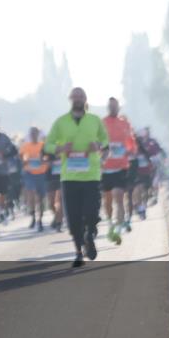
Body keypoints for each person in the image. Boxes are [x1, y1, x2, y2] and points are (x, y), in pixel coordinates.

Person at [44, 87, 109, 268]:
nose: (78, 98)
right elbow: (48, 145)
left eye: (81, 96)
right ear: (71, 99)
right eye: (75, 95)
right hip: (69, 177)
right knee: (73, 217)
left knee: (91, 212)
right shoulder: (61, 122)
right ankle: (78, 252)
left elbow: (105, 142)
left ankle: (90, 235)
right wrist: (60, 149)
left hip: (91, 176)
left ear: (85, 99)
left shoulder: (95, 120)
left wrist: (99, 145)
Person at [101, 97, 137, 242]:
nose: (113, 109)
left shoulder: (125, 124)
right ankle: (110, 223)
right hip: (106, 168)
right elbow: (97, 142)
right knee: (108, 200)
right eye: (110, 106)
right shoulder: (102, 123)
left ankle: (118, 229)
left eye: (115, 106)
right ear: (108, 108)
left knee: (119, 196)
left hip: (121, 166)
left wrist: (130, 150)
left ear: (119, 108)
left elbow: (131, 143)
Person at [18, 127, 49, 231]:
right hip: (29, 174)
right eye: (32, 133)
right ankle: (33, 217)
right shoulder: (26, 146)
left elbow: (48, 158)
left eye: (35, 133)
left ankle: (40, 220)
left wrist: (43, 160)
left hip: (41, 174)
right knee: (31, 196)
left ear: (38, 134)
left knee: (40, 198)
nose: (33, 135)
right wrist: (24, 160)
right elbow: (21, 157)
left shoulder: (43, 145)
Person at [44, 149, 64, 232]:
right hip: (50, 179)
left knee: (59, 202)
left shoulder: (66, 147)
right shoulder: (47, 149)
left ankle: (59, 223)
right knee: (51, 204)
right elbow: (42, 161)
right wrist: (48, 163)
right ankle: (57, 217)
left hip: (62, 178)